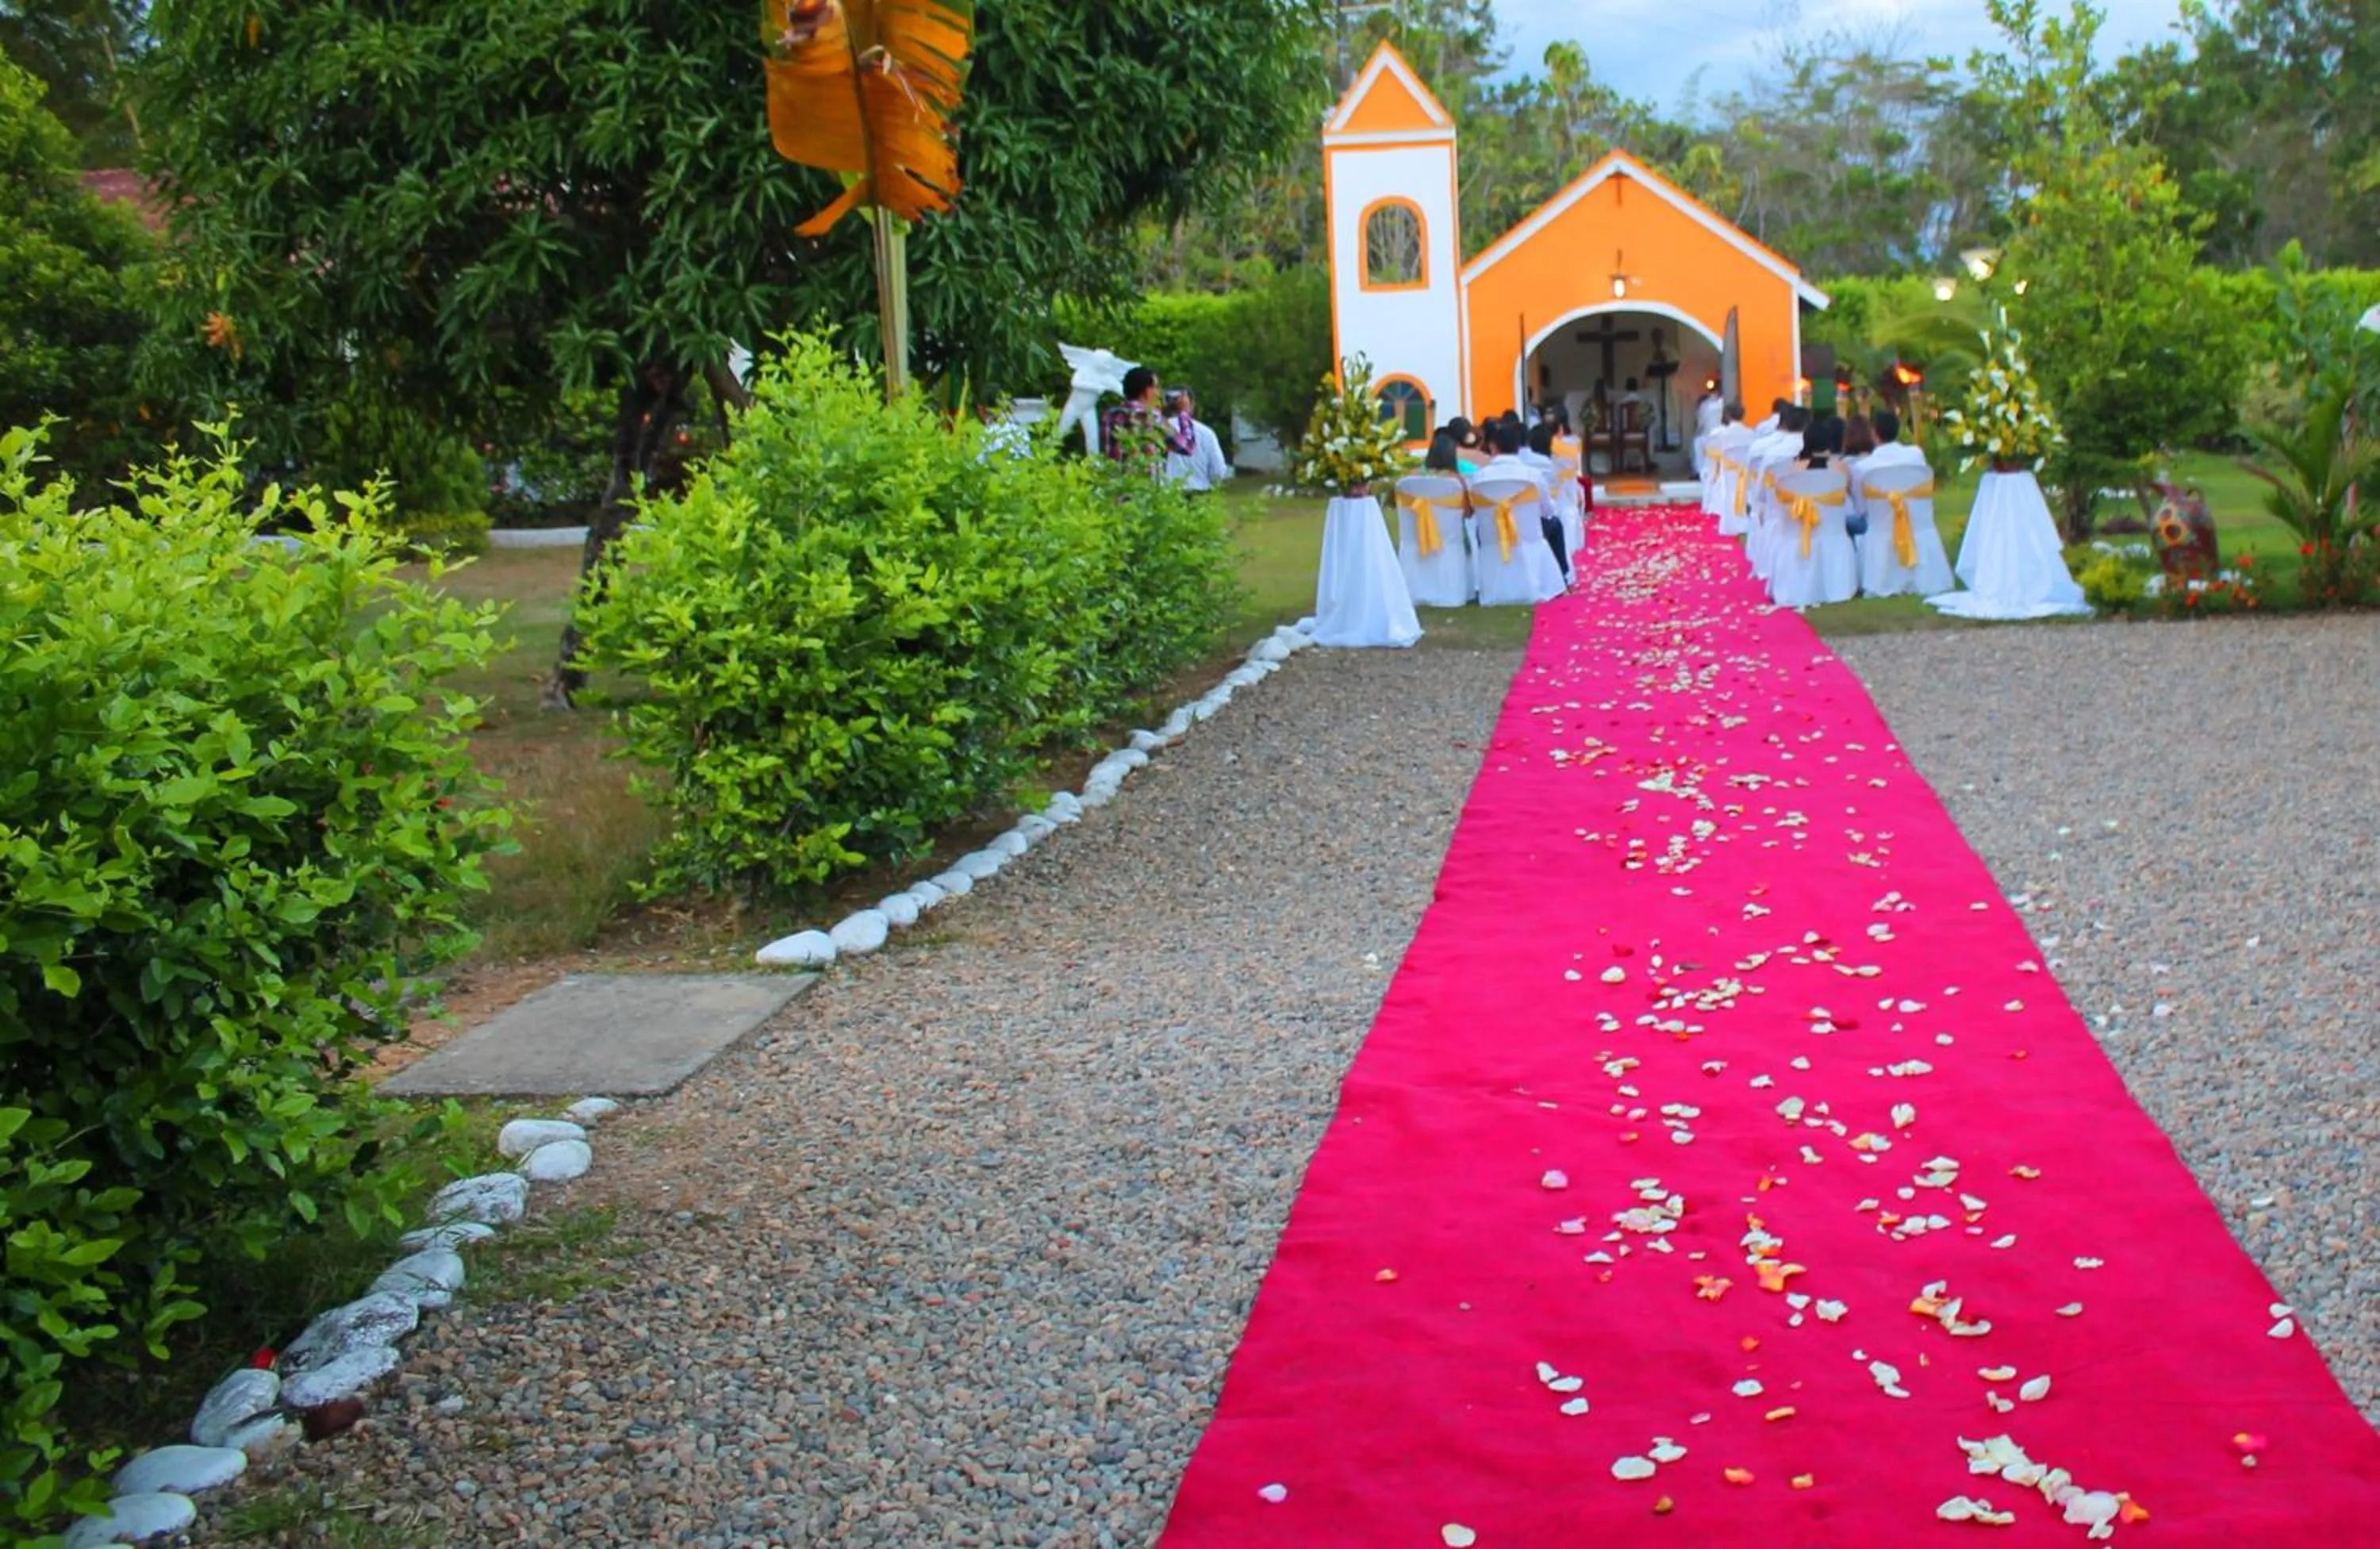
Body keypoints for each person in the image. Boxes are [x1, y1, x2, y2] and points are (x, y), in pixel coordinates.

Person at [1477, 419, 1569, 584]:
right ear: (1518, 447)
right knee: (1555, 524)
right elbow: (1548, 510)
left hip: (1492, 534)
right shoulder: (1532, 475)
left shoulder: (1480, 476)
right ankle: (1563, 575)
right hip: (1529, 533)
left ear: (1493, 447)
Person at [1101, 366, 1191, 471]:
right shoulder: (1152, 417)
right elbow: (1187, 447)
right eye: (1156, 387)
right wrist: (1184, 413)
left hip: (1114, 483)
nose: (1158, 393)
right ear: (1147, 391)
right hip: (1144, 485)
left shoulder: (1109, 415)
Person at [1161, 388, 1232, 493]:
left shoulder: (1159, 430)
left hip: (1170, 495)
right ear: (1192, 405)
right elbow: (1218, 471)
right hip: (1200, 493)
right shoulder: (1207, 433)